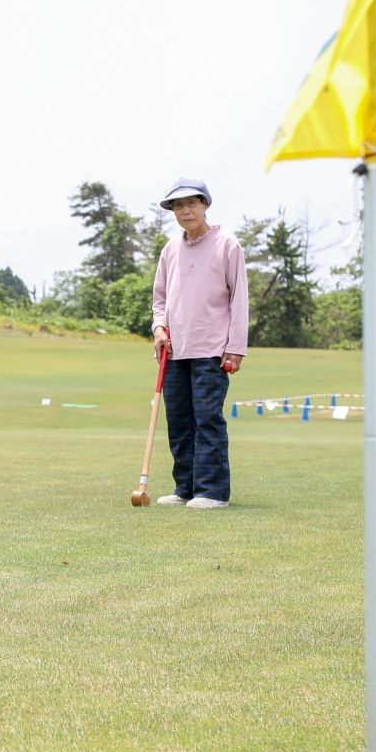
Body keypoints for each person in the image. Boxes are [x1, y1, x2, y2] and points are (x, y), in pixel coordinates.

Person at [150, 178, 248, 509]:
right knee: (179, 421)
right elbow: (159, 298)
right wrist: (159, 326)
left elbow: (239, 301)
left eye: (191, 203)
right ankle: (185, 488)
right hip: (174, 351)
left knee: (207, 419)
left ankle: (212, 492)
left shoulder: (227, 245)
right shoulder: (170, 250)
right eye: (178, 205)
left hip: (212, 350)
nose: (185, 210)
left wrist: (235, 348)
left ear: (205, 204)